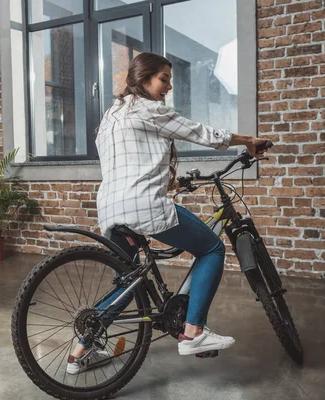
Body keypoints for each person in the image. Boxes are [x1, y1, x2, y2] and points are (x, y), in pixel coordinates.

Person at [66, 52, 270, 374]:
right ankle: (194, 332)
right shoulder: (148, 109)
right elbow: (200, 132)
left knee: (128, 283)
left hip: (109, 208)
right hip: (142, 205)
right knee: (212, 249)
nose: (169, 86)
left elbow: (131, 159)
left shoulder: (111, 115)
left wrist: (166, 178)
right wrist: (247, 140)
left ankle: (78, 354)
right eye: (164, 78)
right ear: (144, 80)